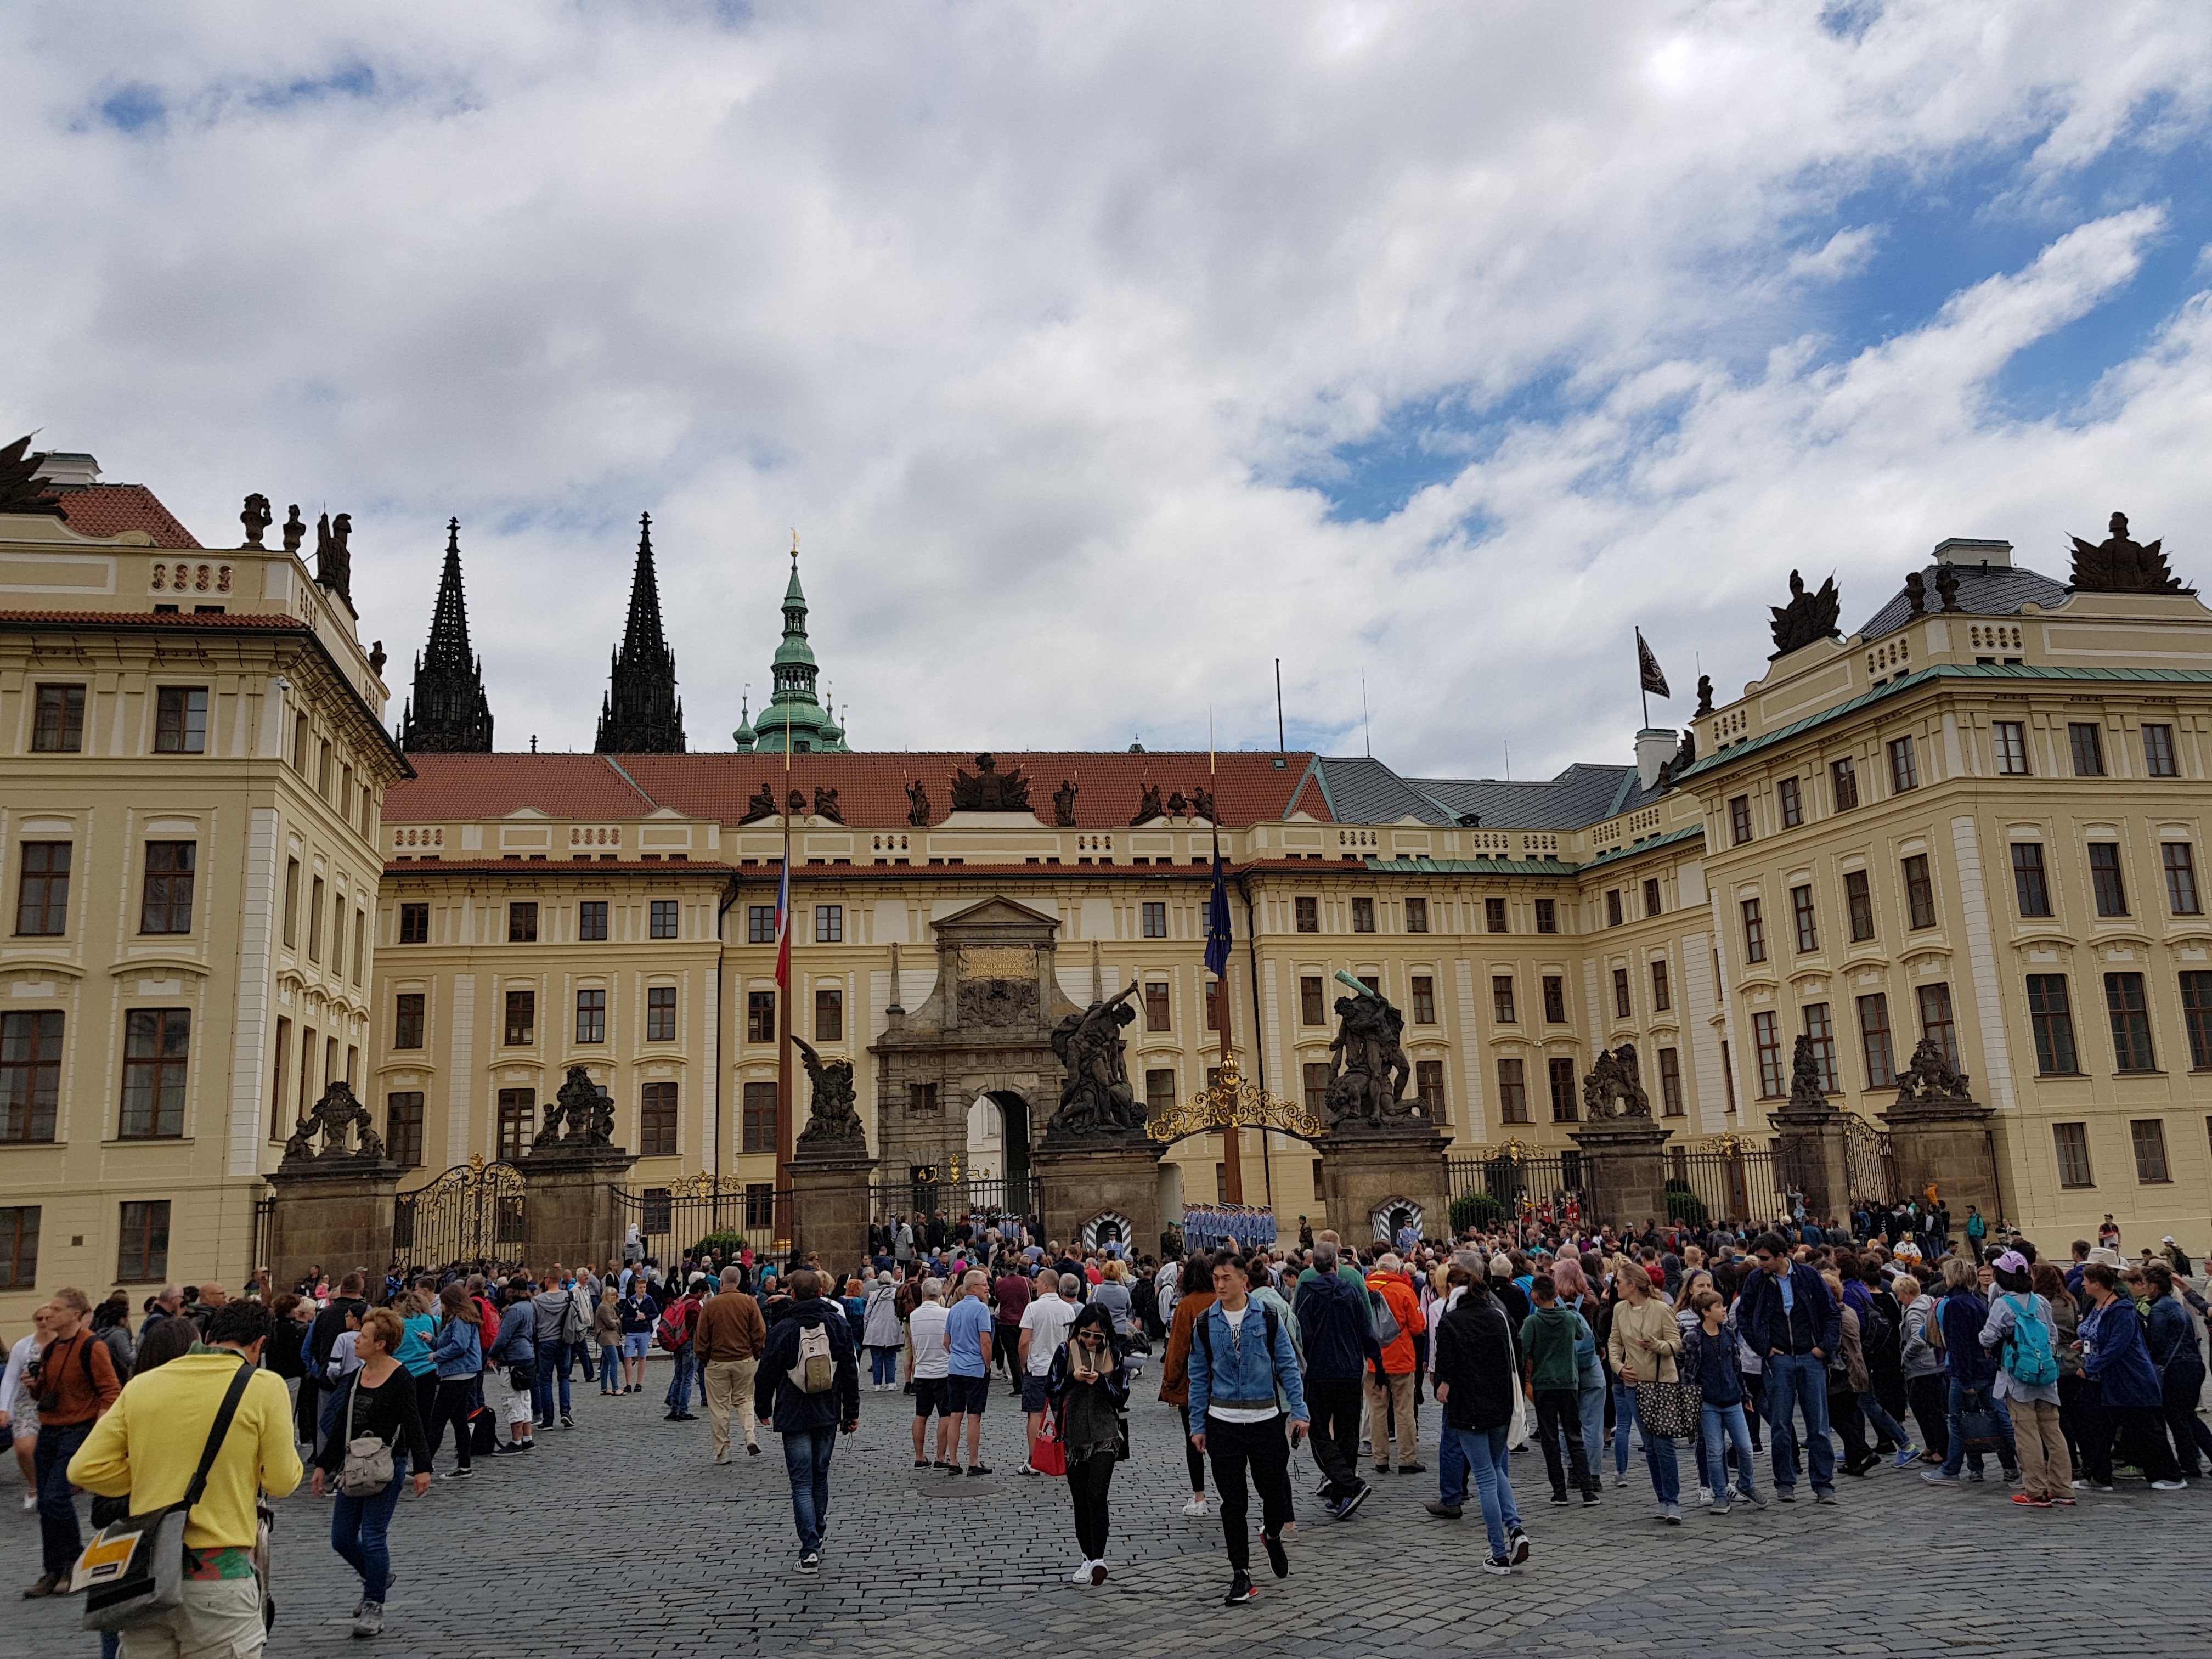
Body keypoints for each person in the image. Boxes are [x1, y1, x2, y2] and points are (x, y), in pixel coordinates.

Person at [69, 1299, 303, 1652]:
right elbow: (282, 1481)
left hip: (147, 1576)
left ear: (208, 1336)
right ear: (260, 1345)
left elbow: (84, 1468)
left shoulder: (143, 1385)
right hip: (218, 1576)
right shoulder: (265, 1386)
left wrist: (152, 1475)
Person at [1187, 1251, 1308, 1607]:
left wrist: (1299, 1412)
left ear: (1244, 1281)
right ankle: (1241, 1574)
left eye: (1226, 1278)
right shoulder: (1205, 1323)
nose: (1220, 1285)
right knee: (1233, 1502)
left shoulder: (1268, 1316)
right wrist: (1198, 1424)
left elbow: (1288, 1367)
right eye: (1216, 1279)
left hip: (1266, 1421)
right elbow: (1198, 1378)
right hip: (1223, 1423)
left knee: (1274, 1494)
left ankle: (1271, 1535)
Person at [313, 1307, 432, 1637]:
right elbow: (341, 1427)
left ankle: (374, 1605)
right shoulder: (356, 1376)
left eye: (363, 1337)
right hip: (354, 1466)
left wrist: (423, 1468)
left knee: (374, 1535)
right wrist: (323, 1463)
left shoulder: (401, 1378)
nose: (356, 1341)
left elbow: (413, 1423)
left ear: (380, 1344)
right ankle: (376, 1576)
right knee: (342, 1539)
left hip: (386, 1465)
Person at [752, 1268, 861, 1573]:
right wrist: (851, 1412)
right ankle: (819, 1531)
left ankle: (809, 1548)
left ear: (794, 1295)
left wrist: (762, 1407)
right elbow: (850, 1371)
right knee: (820, 1476)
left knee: (801, 1482)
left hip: (793, 1412)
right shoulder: (838, 1324)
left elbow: (766, 1372)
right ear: (822, 1293)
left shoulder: (784, 1327)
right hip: (828, 1410)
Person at [21, 1288, 122, 1596]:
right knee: (46, 1504)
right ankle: (53, 1570)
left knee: (55, 1498)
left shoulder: (93, 1346)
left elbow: (111, 1391)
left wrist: (98, 1432)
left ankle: (75, 1565)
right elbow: (45, 1395)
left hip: (77, 1431)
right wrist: (34, 1385)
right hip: (50, 1430)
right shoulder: (51, 1349)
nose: (49, 1314)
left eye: (57, 1309)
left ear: (76, 1315)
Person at [1431, 1267, 1529, 1575]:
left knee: (1485, 1476)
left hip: (1468, 1408)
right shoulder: (1498, 1317)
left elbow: (1444, 1370)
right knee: (1497, 1469)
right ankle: (1515, 1528)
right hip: (1501, 1403)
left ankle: (1498, 1553)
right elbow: (1518, 1351)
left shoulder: (1450, 1321)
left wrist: (1443, 1386)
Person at [1735, 1233, 1840, 1503]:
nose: (1760, 1263)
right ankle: (1785, 1482)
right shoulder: (1757, 1280)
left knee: (1817, 1426)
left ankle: (1823, 1484)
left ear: (1781, 1256)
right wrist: (1763, 1347)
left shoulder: (1808, 1276)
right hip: (1778, 1360)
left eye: (1765, 1258)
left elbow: (1831, 1313)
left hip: (1810, 1357)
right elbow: (1743, 1316)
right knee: (1780, 1425)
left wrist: (1824, 1348)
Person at [2076, 1261, 2183, 1490]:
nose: (2082, 1284)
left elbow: (2118, 1345)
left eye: (2086, 1280)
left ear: (2097, 1284)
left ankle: (2171, 1476)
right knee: (2096, 1429)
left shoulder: (2122, 1310)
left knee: (2146, 1428)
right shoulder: (2095, 1306)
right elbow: (2097, 1334)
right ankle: (2098, 1477)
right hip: (2103, 1381)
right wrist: (2084, 1344)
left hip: (2130, 1379)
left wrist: (2090, 1368)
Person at [1293, 1238, 1379, 1520]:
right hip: (1350, 1370)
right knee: (1348, 1432)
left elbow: (1301, 1335)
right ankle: (1343, 1489)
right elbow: (1366, 1328)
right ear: (1335, 1265)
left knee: (1318, 1433)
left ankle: (1349, 1485)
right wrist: (1376, 1359)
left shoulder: (1306, 1292)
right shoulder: (1352, 1290)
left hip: (1319, 1373)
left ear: (1312, 1265)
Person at [1978, 1251, 2069, 1506]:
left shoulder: (2004, 1304)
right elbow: (2053, 1335)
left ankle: (2036, 1490)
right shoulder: (2041, 1302)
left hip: (2018, 1376)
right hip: (2046, 1374)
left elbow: (1988, 1337)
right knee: (2053, 1432)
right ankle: (2063, 1488)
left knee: (2027, 1434)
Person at [1048, 1301, 1130, 1587]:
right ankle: (1086, 1556)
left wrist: (1101, 1383)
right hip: (1074, 1435)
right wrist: (1073, 1378)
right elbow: (1052, 1388)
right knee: (1080, 1499)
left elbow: (1122, 1397)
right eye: (1086, 1334)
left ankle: (1098, 1559)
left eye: (1098, 1336)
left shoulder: (1115, 1355)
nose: (1091, 1340)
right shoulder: (1064, 1351)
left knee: (1097, 1494)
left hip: (1106, 1433)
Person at [1924, 1255, 2019, 1487]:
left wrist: (1965, 1381)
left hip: (1967, 1372)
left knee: (1958, 1421)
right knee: (1996, 1418)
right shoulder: (1977, 1302)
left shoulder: (1955, 1305)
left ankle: (1951, 1469)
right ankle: (2010, 1466)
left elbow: (1959, 1346)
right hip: (1986, 1370)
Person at [1606, 1262, 1685, 1523]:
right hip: (1634, 1385)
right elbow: (1614, 1342)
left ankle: (1672, 1500)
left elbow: (1676, 1344)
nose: (1615, 1286)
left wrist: (1656, 1345)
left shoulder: (1661, 1309)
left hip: (1661, 1384)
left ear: (1633, 1284)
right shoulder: (1619, 1309)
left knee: (1663, 1444)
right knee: (1649, 1445)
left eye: (1619, 1282)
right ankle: (1662, 1498)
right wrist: (1618, 1367)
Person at [1521, 1274, 1598, 1506]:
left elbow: (1523, 1349)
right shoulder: (1569, 1318)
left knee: (1550, 1438)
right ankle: (1588, 1491)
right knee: (1575, 1436)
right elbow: (1580, 1335)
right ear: (1556, 1295)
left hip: (1544, 1384)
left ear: (1534, 1296)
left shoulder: (1532, 1323)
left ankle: (1559, 1492)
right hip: (1569, 1383)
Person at [1686, 1287, 1763, 1512]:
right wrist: (1692, 1404)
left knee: (1746, 1447)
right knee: (1714, 1449)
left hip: (1733, 1400)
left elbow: (1737, 1368)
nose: (1724, 1309)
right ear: (1705, 1312)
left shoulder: (1728, 1332)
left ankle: (1746, 1484)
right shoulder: (1693, 1338)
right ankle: (1720, 1493)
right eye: (1719, 1306)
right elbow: (1689, 1374)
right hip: (1708, 1403)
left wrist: (1745, 1393)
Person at [2141, 1261, 2212, 1479]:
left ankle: (2189, 1463)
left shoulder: (2159, 1310)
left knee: (2177, 1417)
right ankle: (2194, 1458)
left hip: (2177, 1368)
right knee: (2188, 1416)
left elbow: (2158, 1344)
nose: (2143, 1288)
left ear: (2153, 1286)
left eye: (2144, 1284)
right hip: (2192, 1365)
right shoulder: (2174, 1305)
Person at [1159, 1251, 1217, 1516]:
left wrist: (1170, 1381)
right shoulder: (1221, 1300)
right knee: (1221, 1441)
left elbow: (1178, 1348)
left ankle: (1200, 1496)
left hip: (1193, 1384)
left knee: (1194, 1439)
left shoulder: (1187, 1305)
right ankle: (1228, 1492)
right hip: (1222, 1384)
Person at [696, 1265, 770, 1463]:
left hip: (718, 1362)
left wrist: (705, 1358)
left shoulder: (711, 1305)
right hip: (745, 1360)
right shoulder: (748, 1302)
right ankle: (750, 1435)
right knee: (745, 1400)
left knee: (719, 1408)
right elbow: (759, 1332)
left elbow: (701, 1336)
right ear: (738, 1282)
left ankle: (722, 1452)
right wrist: (756, 1354)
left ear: (721, 1282)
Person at [1362, 1252, 1426, 1476]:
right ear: (1397, 1270)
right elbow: (1418, 1327)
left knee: (1377, 1410)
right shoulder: (1404, 1290)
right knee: (1404, 1410)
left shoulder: (1363, 1289)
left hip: (1372, 1360)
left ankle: (1380, 1459)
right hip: (1401, 1359)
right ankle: (1407, 1459)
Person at [1018, 1273, 1079, 1475]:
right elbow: (1072, 1341)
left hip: (1037, 1369)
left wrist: (1023, 1364)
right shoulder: (1068, 1309)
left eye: (1036, 1282)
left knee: (1035, 1413)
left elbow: (1024, 1341)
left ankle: (1034, 1461)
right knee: (1061, 1412)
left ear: (1045, 1284)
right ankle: (1066, 1453)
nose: (1034, 1286)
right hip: (1060, 1370)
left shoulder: (1033, 1308)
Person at [943, 1269, 997, 1476]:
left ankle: (954, 1461)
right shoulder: (981, 1310)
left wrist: (957, 1355)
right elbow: (986, 1341)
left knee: (955, 1415)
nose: (987, 1288)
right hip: (975, 1369)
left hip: (955, 1369)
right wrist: (987, 1364)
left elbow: (946, 1342)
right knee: (974, 1417)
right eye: (984, 1284)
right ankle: (974, 1461)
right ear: (973, 1287)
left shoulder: (954, 1309)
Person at [426, 1284, 483, 1479]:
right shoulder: (460, 1320)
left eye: (443, 1303)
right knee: (459, 1421)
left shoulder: (460, 1321)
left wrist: (437, 1355)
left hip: (458, 1374)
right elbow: (450, 1342)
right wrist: (432, 1340)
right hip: (462, 1373)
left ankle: (424, 1465)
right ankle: (465, 1466)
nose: (441, 1307)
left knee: (437, 1421)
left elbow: (459, 1346)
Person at [861, 1271, 902, 1391]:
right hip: (891, 1328)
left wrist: (866, 1331)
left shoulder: (874, 1295)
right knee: (891, 1356)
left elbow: (867, 1315)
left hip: (876, 1329)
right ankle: (891, 1383)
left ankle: (877, 1385)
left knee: (876, 1357)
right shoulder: (896, 1294)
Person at [617, 1277, 657, 1394]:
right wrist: (634, 1319)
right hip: (632, 1331)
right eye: (640, 1288)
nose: (642, 1290)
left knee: (642, 1356)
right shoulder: (630, 1301)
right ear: (636, 1289)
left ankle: (639, 1383)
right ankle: (628, 1383)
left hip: (644, 1330)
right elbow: (625, 1317)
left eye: (644, 1287)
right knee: (628, 1357)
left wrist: (646, 1317)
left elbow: (655, 1312)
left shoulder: (649, 1300)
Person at [592, 1287, 624, 1396]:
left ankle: (604, 1388)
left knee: (605, 1363)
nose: (615, 1297)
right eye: (613, 1295)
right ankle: (616, 1388)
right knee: (614, 1361)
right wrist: (617, 1321)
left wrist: (616, 1321)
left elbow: (616, 1319)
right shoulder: (604, 1308)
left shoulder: (610, 1307)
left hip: (610, 1337)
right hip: (607, 1337)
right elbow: (611, 1323)